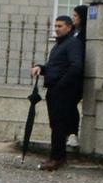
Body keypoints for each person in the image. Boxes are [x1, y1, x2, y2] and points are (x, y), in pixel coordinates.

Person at [33, 13, 85, 169]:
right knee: (55, 125)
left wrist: (61, 84)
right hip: (55, 89)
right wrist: (41, 68)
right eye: (55, 26)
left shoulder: (72, 44)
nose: (56, 29)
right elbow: (55, 68)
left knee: (59, 126)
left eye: (60, 26)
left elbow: (76, 67)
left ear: (69, 27)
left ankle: (57, 158)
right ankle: (57, 157)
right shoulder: (59, 45)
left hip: (62, 91)